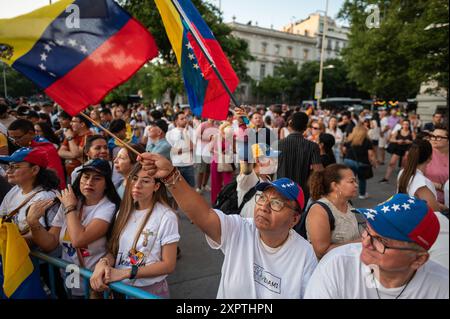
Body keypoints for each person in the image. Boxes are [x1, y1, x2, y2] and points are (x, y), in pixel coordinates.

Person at [139, 152, 318, 298]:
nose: (264, 207)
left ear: (294, 219)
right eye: (262, 198)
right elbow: (204, 215)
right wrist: (171, 175)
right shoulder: (240, 229)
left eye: (277, 203)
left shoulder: (305, 256)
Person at [304, 193, 448, 299]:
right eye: (367, 230)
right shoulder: (337, 265)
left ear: (419, 259)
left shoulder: (442, 288)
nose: (365, 243)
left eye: (381, 241)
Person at [26, 159, 121, 298]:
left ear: (107, 184)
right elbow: (50, 243)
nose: (89, 182)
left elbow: (78, 240)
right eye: (86, 176)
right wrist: (33, 223)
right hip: (70, 275)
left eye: (97, 178)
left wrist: (70, 208)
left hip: (96, 283)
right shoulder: (72, 201)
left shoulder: (108, 207)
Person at [89, 163, 179, 298]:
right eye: (134, 178)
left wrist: (126, 272)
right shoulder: (123, 212)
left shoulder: (167, 216)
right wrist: (102, 264)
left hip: (147, 291)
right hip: (120, 288)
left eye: (145, 181)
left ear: (156, 186)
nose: (137, 185)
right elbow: (116, 252)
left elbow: (168, 265)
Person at [0, 147, 60, 243]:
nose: (8, 171)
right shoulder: (15, 189)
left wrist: (10, 240)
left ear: (34, 170)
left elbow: (38, 236)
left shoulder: (45, 197)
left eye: (15, 167)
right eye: (8, 166)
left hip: (35, 256)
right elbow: (2, 216)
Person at [305, 164, 360, 259]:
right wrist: (360, 242)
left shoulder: (348, 204)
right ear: (335, 185)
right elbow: (321, 252)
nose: (356, 185)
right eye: (351, 181)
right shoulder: (319, 210)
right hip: (330, 271)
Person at [277, 112, 323, 203]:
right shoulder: (312, 146)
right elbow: (318, 171)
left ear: (290, 124)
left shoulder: (278, 144)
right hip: (302, 191)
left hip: (281, 189)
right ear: (305, 128)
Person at [8, 119, 66, 189]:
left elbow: (55, 177)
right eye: (12, 139)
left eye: (18, 138)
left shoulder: (46, 150)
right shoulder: (28, 146)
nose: (15, 142)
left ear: (31, 133)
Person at [398, 139, 448, 212]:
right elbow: (434, 212)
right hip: (418, 220)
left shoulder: (403, 172)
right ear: (430, 158)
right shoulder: (424, 183)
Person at [343, 125, 378, 199]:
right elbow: (370, 154)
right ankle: (362, 194)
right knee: (362, 179)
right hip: (361, 162)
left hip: (348, 160)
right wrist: (374, 163)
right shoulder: (367, 141)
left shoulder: (349, 139)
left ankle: (347, 193)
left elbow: (343, 149)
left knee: (350, 178)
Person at [165, 112, 195, 188]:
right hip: (176, 166)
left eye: (185, 118)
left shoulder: (191, 131)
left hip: (189, 165)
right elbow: (173, 151)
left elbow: (192, 147)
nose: (185, 120)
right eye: (182, 119)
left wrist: (185, 133)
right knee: (178, 190)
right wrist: (187, 149)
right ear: (176, 121)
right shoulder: (170, 133)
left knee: (191, 190)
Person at [58, 114, 93, 178]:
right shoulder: (71, 133)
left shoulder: (89, 136)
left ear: (82, 124)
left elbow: (76, 153)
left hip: (82, 174)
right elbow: (60, 152)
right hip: (69, 174)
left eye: (74, 121)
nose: (71, 124)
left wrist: (70, 139)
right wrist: (74, 155)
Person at [380, 119, 415, 183]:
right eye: (404, 124)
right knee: (392, 163)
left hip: (407, 148)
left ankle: (401, 179)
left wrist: (410, 141)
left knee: (404, 164)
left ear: (409, 125)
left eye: (407, 124)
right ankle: (386, 178)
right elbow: (391, 139)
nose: (405, 126)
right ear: (402, 125)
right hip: (398, 148)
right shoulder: (398, 131)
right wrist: (397, 141)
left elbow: (415, 142)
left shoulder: (411, 132)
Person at [424, 124, 449, 205]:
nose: (434, 139)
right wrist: (440, 186)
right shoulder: (425, 153)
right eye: (432, 136)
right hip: (428, 201)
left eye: (439, 137)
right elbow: (413, 176)